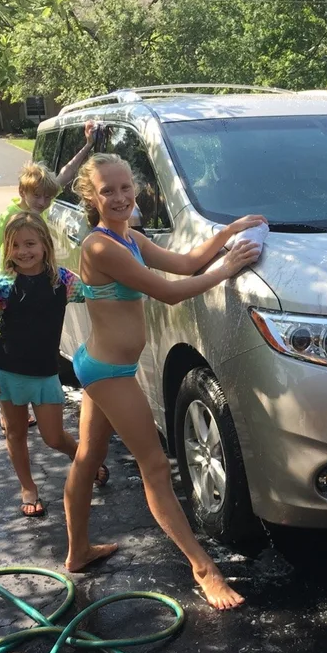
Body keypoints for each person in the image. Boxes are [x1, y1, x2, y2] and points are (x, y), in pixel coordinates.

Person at [63, 152, 264, 610]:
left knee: (87, 455)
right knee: (155, 468)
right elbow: (171, 292)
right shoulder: (101, 247)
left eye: (124, 187)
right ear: (92, 197)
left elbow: (185, 262)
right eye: (107, 190)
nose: (118, 196)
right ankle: (203, 569)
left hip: (103, 366)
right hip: (108, 372)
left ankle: (77, 551)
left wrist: (227, 234)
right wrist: (228, 268)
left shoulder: (128, 237)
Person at [0, 211, 108, 518]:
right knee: (16, 432)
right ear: (8, 250)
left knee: (53, 436)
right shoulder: (3, 285)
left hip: (45, 373)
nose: (23, 251)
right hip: (8, 371)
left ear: (45, 246)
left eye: (30, 243)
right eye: (15, 245)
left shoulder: (61, 280)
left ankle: (85, 461)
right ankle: (28, 487)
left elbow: (96, 292)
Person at [0, 120, 98, 430]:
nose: (44, 203)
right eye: (39, 198)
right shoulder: (11, 217)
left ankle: (20, 401)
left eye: (48, 198)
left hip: (35, 279)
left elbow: (63, 176)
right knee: (3, 338)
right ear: (24, 192)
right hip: (9, 286)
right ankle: (6, 408)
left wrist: (87, 145)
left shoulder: (39, 207)